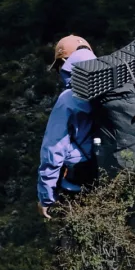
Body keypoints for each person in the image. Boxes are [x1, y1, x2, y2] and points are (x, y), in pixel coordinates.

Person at [37, 34, 98, 220]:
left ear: (65, 62)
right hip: (116, 173)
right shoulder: (116, 85)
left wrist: (45, 198)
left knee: (72, 242)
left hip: (79, 183)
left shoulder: (68, 98)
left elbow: (53, 149)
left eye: (58, 67)